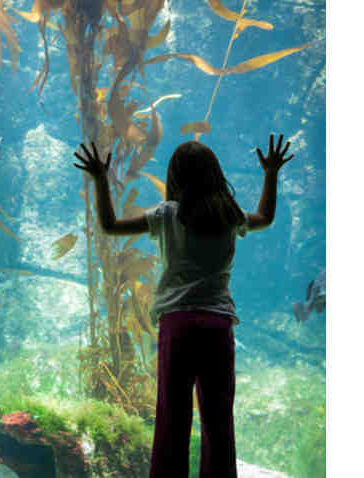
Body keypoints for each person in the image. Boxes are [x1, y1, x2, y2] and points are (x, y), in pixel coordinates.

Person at [73, 135, 294, 478]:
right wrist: (271, 174)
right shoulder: (228, 214)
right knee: (218, 418)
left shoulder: (166, 214)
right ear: (215, 174)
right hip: (217, 324)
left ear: (175, 176)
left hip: (178, 324)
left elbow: (110, 225)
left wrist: (101, 179)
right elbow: (265, 217)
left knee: (172, 417)